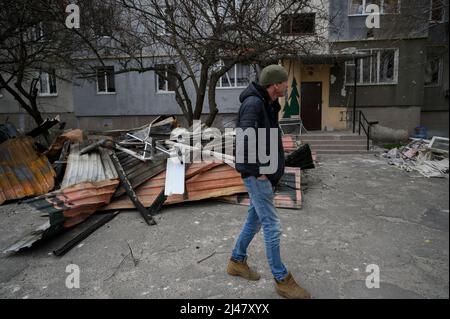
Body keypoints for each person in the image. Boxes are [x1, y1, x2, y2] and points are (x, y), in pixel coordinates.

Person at [227, 64, 311, 299]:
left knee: (254, 221)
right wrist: (259, 172)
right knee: (273, 226)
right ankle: (281, 279)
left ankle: (236, 261)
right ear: (276, 84)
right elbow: (244, 142)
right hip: (257, 175)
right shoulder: (253, 104)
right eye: (285, 82)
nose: (287, 85)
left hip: (266, 172)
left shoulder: (268, 103)